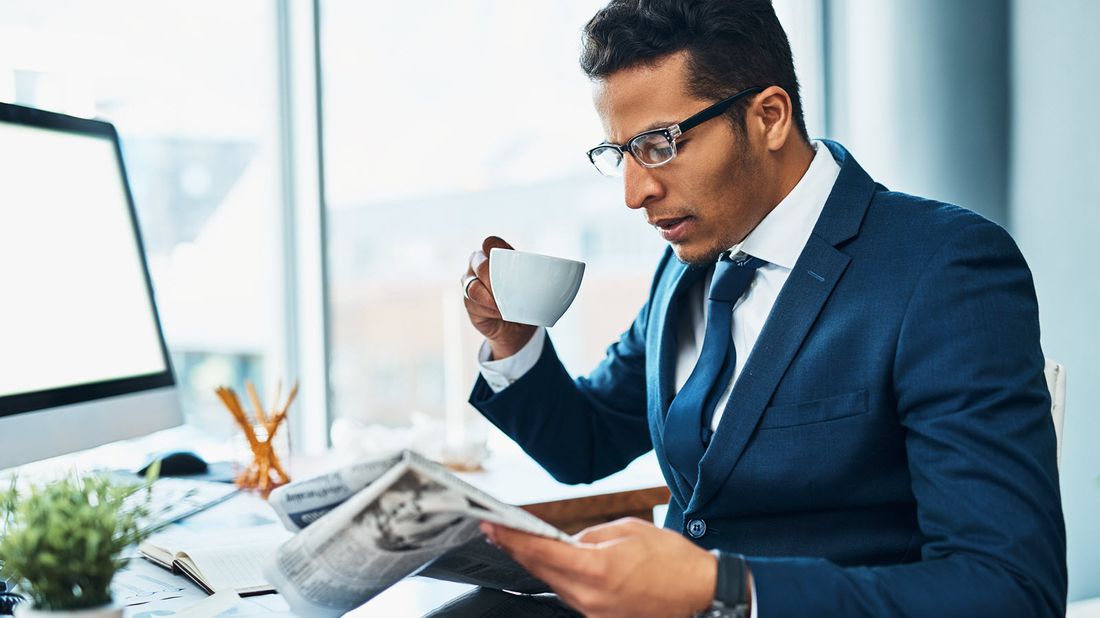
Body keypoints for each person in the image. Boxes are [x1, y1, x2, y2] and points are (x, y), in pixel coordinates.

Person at [460, 0, 1066, 616]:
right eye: (620, 154)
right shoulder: (689, 264)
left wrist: (722, 587)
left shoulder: (944, 268)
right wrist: (514, 341)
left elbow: (1008, 590)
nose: (634, 192)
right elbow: (586, 444)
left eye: (660, 146)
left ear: (770, 117)